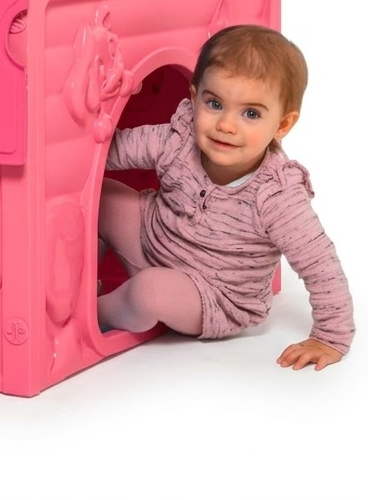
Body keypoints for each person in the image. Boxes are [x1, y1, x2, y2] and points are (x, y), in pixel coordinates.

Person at [97, 24, 354, 370]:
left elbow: (321, 265)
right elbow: (106, 154)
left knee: (149, 293)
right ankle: (82, 273)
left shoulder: (277, 196)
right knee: (103, 195)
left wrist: (331, 336)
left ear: (282, 125)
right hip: (151, 242)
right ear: (194, 98)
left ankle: (93, 312)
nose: (227, 125)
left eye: (251, 113)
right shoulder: (178, 138)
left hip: (211, 297)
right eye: (215, 104)